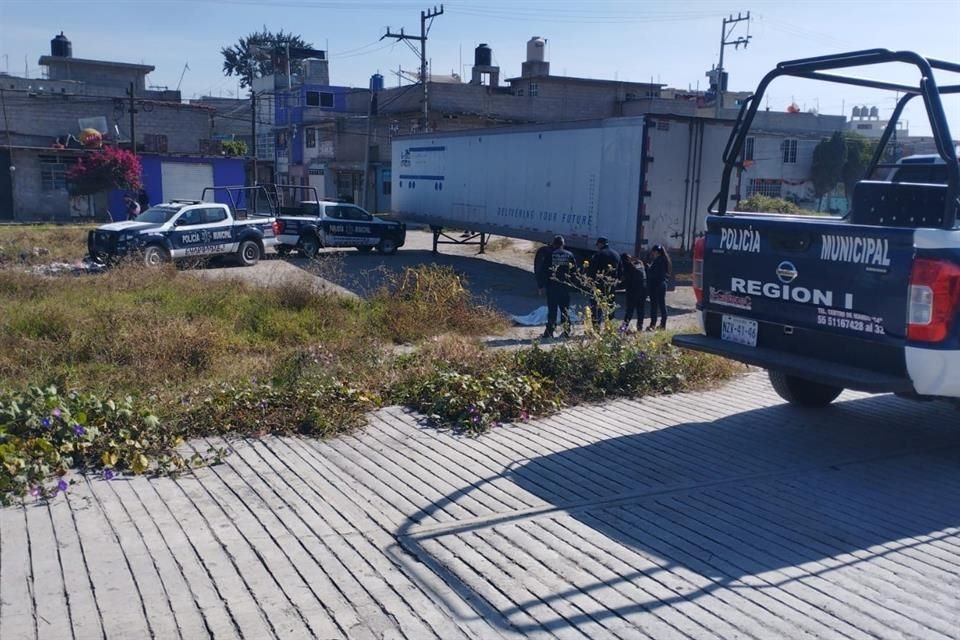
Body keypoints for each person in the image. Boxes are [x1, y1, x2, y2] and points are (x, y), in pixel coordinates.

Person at [535, 235, 577, 339]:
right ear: (563, 244)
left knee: (552, 311)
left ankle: (549, 333)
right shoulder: (569, 255)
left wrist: (541, 286)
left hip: (552, 287)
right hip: (565, 287)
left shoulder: (550, 255)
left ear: (554, 244)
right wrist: (574, 285)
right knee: (565, 310)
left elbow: (542, 271)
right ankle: (567, 332)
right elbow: (574, 272)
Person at [587, 236, 621, 325]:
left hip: (600, 285)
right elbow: (621, 271)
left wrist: (590, 282)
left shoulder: (598, 254)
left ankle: (596, 327)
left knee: (596, 306)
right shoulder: (616, 254)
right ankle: (610, 326)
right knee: (610, 305)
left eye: (598, 245)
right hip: (612, 284)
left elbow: (592, 270)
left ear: (600, 244)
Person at [619, 253, 647, 332]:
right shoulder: (639, 264)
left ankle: (623, 328)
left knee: (629, 311)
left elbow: (624, 281)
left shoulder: (627, 268)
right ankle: (640, 327)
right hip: (643, 290)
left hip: (632, 291)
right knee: (640, 309)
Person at [646, 244, 672, 330]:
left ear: (656, 252)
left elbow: (656, 274)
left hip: (656, 285)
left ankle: (653, 324)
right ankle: (662, 324)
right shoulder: (664, 260)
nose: (652, 254)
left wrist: (649, 269)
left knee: (654, 305)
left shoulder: (658, 261)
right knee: (662, 305)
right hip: (662, 285)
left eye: (653, 252)